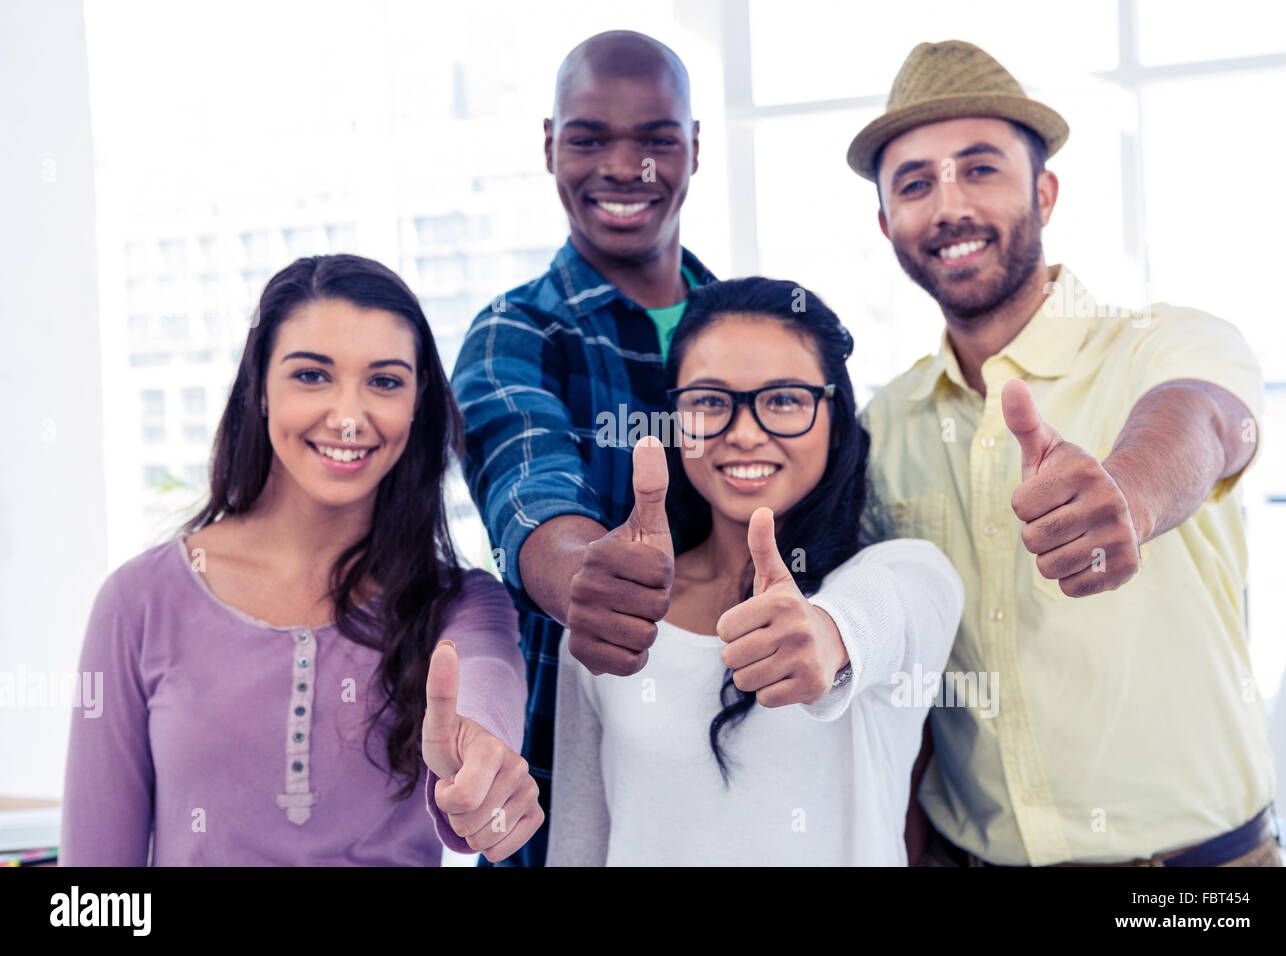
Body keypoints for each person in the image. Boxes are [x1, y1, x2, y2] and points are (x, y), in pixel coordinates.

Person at [845, 39, 1280, 866]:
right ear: (886, 224)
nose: (948, 207)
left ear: (1043, 191)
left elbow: (1204, 422)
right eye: (914, 184)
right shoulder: (883, 424)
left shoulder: (1169, 342)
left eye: (980, 169)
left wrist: (1132, 493)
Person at [61, 254, 541, 865]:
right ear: (260, 388)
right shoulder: (138, 602)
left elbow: (482, 692)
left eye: (385, 381)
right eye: (312, 376)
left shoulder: (464, 604)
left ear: (419, 403)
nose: (348, 416)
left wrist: (482, 769)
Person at [546, 277, 963, 865]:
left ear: (836, 420)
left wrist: (825, 633)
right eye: (710, 402)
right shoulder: (615, 610)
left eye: (785, 399)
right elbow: (580, 842)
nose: (744, 434)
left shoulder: (903, 572)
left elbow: (890, 608)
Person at [449, 29, 718, 865]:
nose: (624, 166)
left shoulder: (759, 334)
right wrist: (583, 577)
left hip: (736, 785)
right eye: (589, 137)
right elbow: (527, 491)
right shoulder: (514, 332)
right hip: (569, 803)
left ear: (695, 149)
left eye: (656, 139)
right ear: (549, 147)